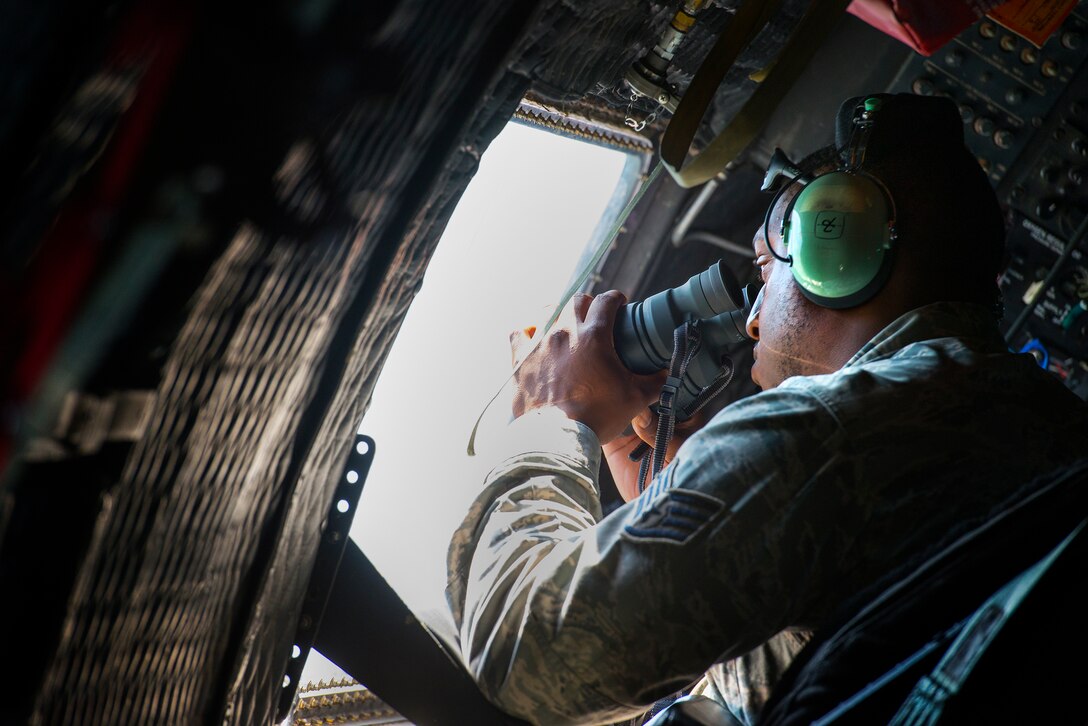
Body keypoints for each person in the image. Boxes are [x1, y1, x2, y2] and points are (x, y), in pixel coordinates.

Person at [444, 93, 1088, 726]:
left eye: (764, 265)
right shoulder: (1039, 419)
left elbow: (526, 660)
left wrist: (551, 415)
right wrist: (674, 483)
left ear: (838, 248)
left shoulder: (821, 436)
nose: (752, 320)